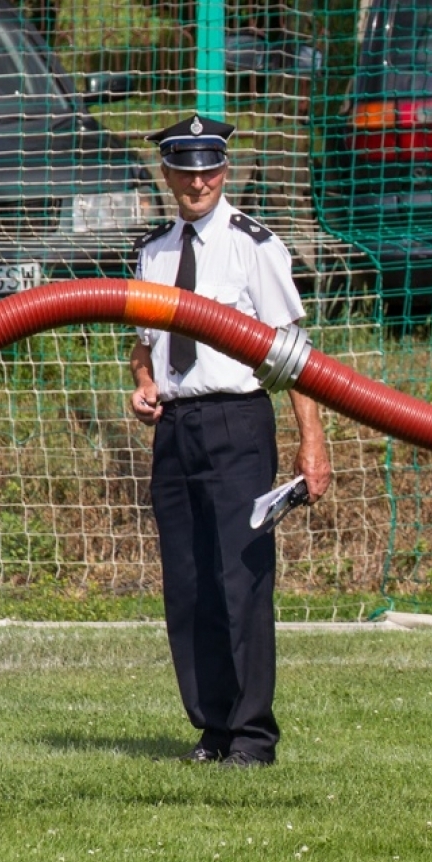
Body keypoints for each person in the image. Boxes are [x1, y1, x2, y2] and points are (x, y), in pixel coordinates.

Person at [128, 114, 332, 767]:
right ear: (167, 175)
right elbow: (144, 346)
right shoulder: (154, 251)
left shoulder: (255, 245)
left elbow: (295, 355)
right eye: (186, 173)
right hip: (176, 429)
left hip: (237, 423)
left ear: (225, 170)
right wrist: (143, 384)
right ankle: (212, 729)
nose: (199, 183)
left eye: (210, 171)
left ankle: (252, 736)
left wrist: (312, 441)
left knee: (240, 580)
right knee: (188, 584)